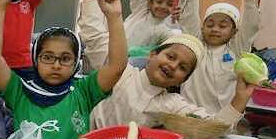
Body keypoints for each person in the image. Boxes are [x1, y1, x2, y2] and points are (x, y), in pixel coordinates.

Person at [0, 0, 127, 139]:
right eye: (47, 57)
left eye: (65, 59)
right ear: (36, 60)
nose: (55, 65)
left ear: (76, 63)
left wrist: (114, 17)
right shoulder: (20, 91)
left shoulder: (83, 91)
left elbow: (117, 67)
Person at [89, 33, 253, 130]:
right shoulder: (121, 72)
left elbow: (212, 126)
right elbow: (95, 36)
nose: (173, 66)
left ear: (182, 81)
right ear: (152, 55)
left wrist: (240, 99)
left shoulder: (171, 104)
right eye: (170, 56)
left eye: (183, 68)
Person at [180, 0, 260, 115]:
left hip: (224, 121)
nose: (215, 29)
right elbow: (189, 16)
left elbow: (252, 23)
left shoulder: (237, 49)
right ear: (202, 27)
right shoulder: (195, 46)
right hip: (189, 118)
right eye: (209, 24)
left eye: (223, 26)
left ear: (234, 32)